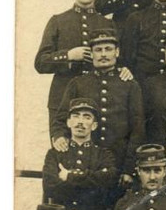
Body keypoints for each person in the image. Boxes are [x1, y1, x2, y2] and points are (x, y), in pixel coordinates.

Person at [54, 29, 145, 187]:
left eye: (108, 49)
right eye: (98, 50)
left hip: (118, 163)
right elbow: (61, 119)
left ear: (117, 52)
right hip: (84, 164)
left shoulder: (130, 85)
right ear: (91, 53)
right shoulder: (78, 83)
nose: (103, 54)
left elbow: (137, 129)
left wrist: (129, 169)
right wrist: (59, 136)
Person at [35, 0, 115, 117]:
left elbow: (118, 59)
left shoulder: (108, 24)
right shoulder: (58, 21)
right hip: (62, 100)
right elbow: (40, 63)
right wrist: (68, 56)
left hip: (97, 99)